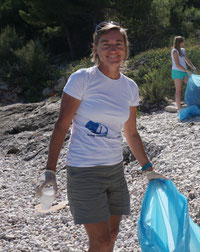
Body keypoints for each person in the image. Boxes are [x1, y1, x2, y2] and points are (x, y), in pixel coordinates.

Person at [36, 21, 167, 251]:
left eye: (118, 43)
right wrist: (50, 172)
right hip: (84, 171)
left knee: (112, 234)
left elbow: (131, 132)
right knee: (102, 241)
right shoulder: (82, 79)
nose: (113, 49)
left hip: (115, 171)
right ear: (95, 48)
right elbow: (62, 125)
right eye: (106, 44)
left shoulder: (130, 87)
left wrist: (148, 168)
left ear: (125, 49)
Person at [171, 36, 196, 111]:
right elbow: (177, 64)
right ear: (180, 42)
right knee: (178, 91)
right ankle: (179, 109)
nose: (184, 43)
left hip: (184, 72)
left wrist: (193, 67)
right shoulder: (174, 51)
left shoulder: (183, 50)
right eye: (183, 41)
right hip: (177, 72)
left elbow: (187, 60)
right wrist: (186, 70)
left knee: (192, 86)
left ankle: (191, 104)